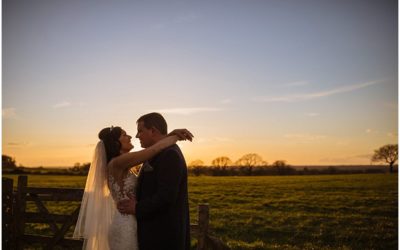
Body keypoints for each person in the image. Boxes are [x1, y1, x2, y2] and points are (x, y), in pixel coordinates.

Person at [73, 125, 193, 250]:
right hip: (125, 225)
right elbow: (154, 149)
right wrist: (174, 136)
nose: (130, 136)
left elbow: (153, 149)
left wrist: (168, 136)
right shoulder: (117, 162)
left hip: (131, 221)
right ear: (116, 143)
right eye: (124, 135)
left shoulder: (122, 162)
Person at [117, 112, 191, 250]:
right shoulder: (156, 152)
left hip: (164, 237)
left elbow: (166, 197)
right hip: (153, 233)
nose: (137, 135)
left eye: (140, 131)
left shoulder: (170, 155)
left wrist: (137, 207)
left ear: (153, 131)